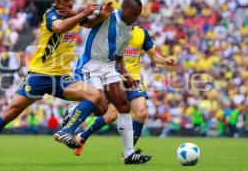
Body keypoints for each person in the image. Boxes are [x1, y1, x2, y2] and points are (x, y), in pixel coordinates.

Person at [0, 0, 113, 166]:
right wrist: (81, 13)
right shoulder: (50, 14)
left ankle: (67, 129)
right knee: (10, 113)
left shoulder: (73, 14)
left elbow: (89, 24)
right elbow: (60, 27)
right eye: (66, 0)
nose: (70, 3)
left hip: (61, 78)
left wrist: (103, 15)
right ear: (54, 0)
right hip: (40, 75)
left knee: (99, 100)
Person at [66, 25, 176, 156]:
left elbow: (153, 57)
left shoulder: (141, 33)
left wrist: (165, 61)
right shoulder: (113, 30)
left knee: (141, 113)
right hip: (113, 78)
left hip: (133, 79)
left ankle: (128, 153)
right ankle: (82, 136)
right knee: (111, 115)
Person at [69, 0, 150, 164]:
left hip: (109, 67)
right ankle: (72, 110)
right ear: (125, 9)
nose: (135, 18)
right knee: (101, 107)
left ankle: (129, 154)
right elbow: (84, 22)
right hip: (91, 64)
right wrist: (102, 15)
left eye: (138, 15)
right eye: (134, 14)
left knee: (123, 104)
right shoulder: (108, 13)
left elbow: (119, 57)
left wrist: (125, 72)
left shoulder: (128, 31)